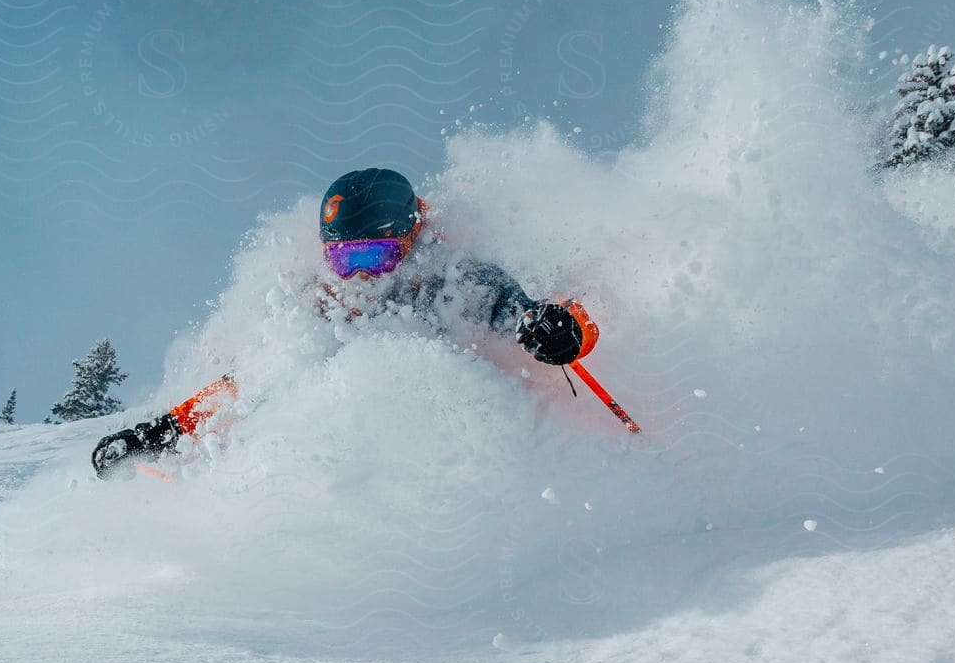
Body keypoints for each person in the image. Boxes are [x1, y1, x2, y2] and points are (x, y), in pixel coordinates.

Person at [91, 167, 598, 478]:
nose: (357, 276)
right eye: (342, 259)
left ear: (412, 239)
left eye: (373, 255)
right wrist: (162, 431)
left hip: (464, 456)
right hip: (352, 468)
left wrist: (560, 328)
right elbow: (252, 384)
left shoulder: (460, 281)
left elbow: (530, 312)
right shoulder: (320, 304)